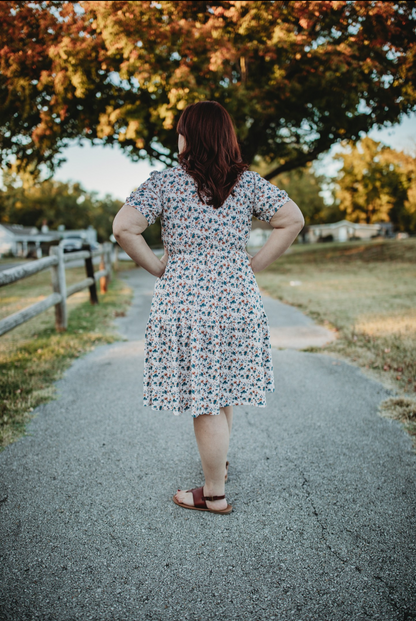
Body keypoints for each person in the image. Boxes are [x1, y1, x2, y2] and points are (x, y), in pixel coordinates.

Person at [112, 101, 304, 515]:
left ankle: (213, 493)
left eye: (180, 130)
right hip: (237, 297)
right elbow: (292, 220)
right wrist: (252, 266)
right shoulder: (248, 183)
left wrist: (159, 267)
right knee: (223, 386)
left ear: (190, 136)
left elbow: (124, 227)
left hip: (187, 301)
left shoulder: (164, 183)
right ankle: (221, 464)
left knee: (205, 397)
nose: (176, 137)